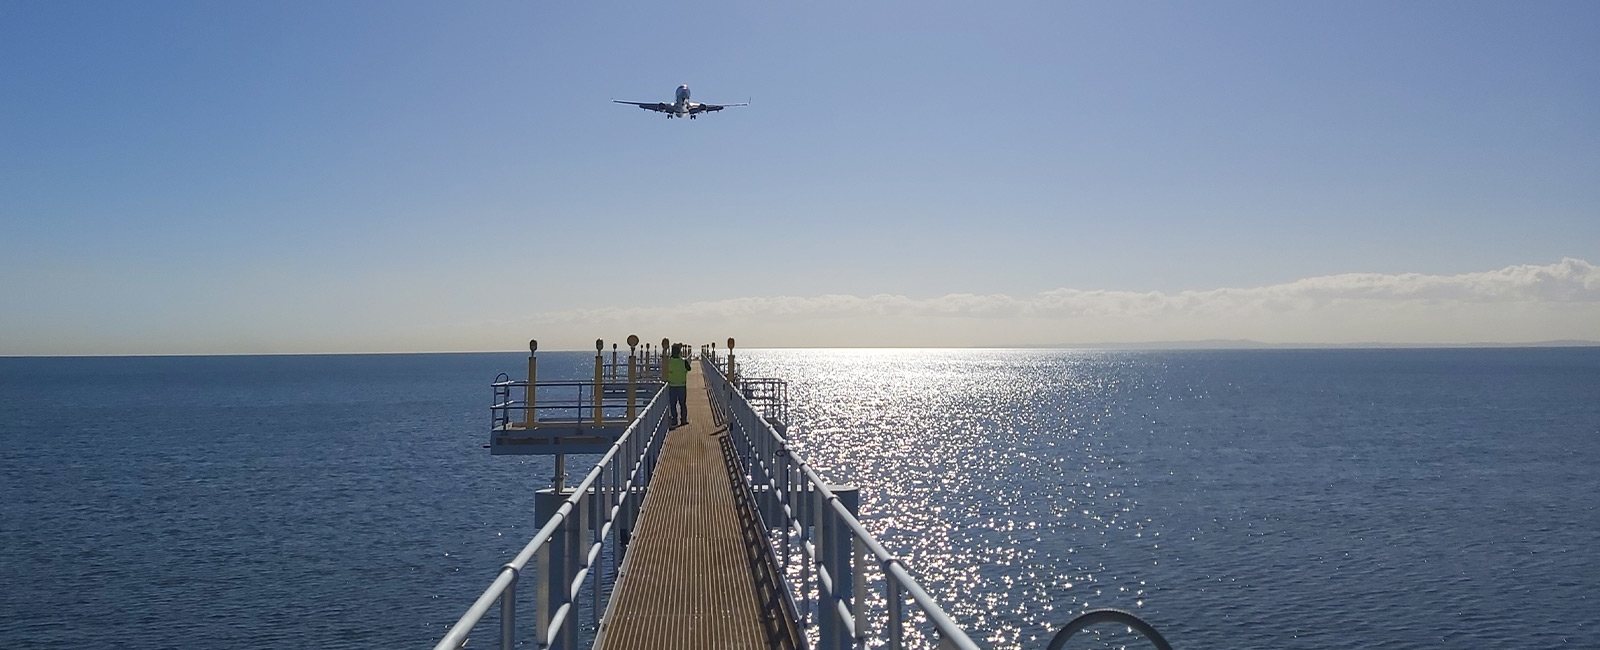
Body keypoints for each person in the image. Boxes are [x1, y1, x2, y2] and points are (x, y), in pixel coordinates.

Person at [665, 344, 690, 427]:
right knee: (682, 404)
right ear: (679, 352)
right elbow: (689, 368)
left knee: (673, 404)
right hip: (682, 385)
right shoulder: (684, 361)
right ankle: (683, 420)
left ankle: (674, 420)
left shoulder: (669, 361)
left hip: (672, 385)